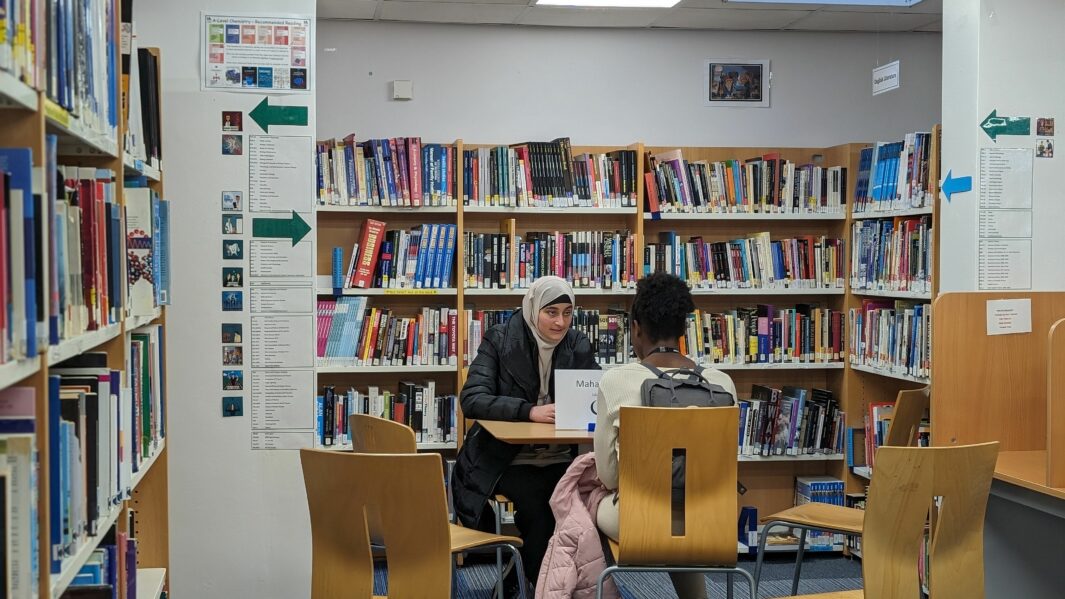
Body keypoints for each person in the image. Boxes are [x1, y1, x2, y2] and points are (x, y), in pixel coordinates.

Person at [594, 273, 737, 599]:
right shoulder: (721, 383)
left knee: (582, 502)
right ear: (684, 330)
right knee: (684, 504)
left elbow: (609, 475)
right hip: (711, 521)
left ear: (635, 328)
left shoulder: (616, 381)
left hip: (639, 523)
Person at [453, 276, 599, 594]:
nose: (560, 322)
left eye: (567, 312)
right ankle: (534, 582)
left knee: (575, 502)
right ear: (533, 310)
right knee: (543, 506)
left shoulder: (578, 344)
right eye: (551, 312)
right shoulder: (501, 339)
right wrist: (528, 411)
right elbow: (472, 398)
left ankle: (520, 579)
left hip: (561, 457)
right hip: (504, 458)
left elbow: (595, 397)